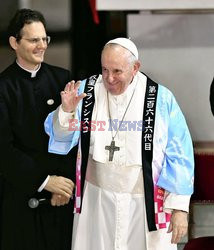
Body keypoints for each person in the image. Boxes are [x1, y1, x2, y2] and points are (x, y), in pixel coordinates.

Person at [45, 38, 195, 250]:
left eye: (117, 71)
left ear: (135, 68)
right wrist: (67, 111)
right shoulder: (86, 92)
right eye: (104, 70)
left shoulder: (160, 99)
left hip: (144, 203)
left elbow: (180, 154)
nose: (109, 78)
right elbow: (60, 137)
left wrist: (179, 209)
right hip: (96, 202)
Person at [0, 8, 76, 250]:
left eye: (45, 39)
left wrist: (63, 185)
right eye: (34, 40)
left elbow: (75, 135)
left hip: (60, 202)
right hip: (19, 199)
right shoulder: (3, 87)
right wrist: (45, 181)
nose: (41, 45)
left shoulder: (62, 79)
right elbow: (3, 149)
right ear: (14, 42)